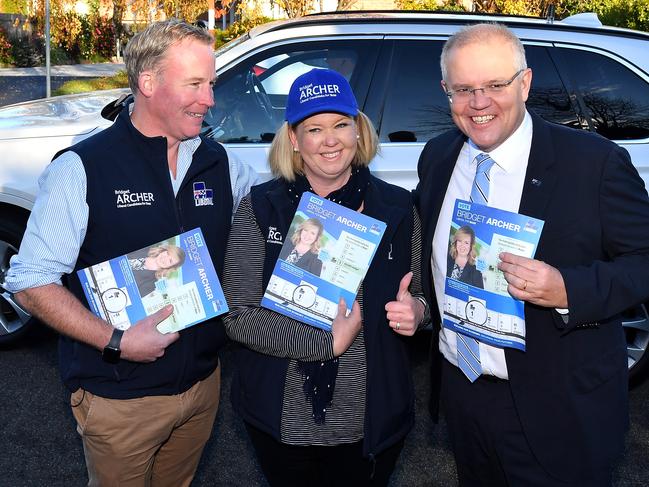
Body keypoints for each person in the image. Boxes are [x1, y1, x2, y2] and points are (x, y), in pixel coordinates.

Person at [4, 19, 257, 487]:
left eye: (212, 84)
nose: (211, 99)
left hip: (202, 389)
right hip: (120, 400)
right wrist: (115, 341)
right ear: (148, 82)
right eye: (196, 85)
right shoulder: (83, 168)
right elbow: (30, 280)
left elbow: (265, 228)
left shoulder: (220, 164)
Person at [415, 23, 649, 486]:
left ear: (525, 82)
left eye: (495, 85)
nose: (479, 103)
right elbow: (438, 262)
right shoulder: (439, 157)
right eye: (464, 89)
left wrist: (568, 288)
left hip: (557, 408)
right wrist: (422, 306)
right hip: (465, 396)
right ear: (447, 92)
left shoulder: (594, 164)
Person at [222, 68, 429, 487]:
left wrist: (418, 311)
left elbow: (424, 297)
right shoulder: (262, 208)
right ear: (294, 140)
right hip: (281, 415)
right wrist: (325, 344)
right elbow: (237, 313)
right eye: (314, 128)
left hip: (370, 417)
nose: (330, 139)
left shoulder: (397, 207)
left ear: (359, 131)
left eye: (341, 125)